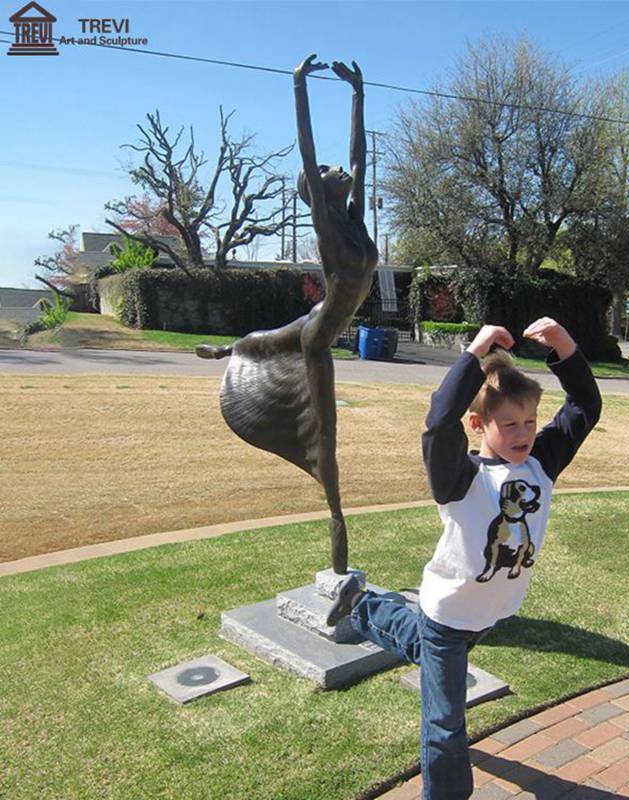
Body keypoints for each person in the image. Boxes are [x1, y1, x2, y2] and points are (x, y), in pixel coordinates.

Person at [326, 317, 602, 800]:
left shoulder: (542, 461)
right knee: (445, 723)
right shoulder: (460, 476)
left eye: (531, 421)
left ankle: (360, 603)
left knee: (421, 648)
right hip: (449, 612)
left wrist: (564, 346)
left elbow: (585, 406)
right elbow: (438, 421)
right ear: (478, 424)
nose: (524, 433)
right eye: (510, 424)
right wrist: (473, 356)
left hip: (489, 613)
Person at [196, 54, 378, 575]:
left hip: (319, 318)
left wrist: (358, 93)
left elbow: (358, 158)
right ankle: (337, 525)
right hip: (319, 340)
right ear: (317, 193)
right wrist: (298, 87)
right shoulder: (326, 224)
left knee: (261, 338)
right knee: (326, 444)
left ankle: (226, 349)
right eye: (325, 173)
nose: (337, 170)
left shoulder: (354, 220)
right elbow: (308, 146)